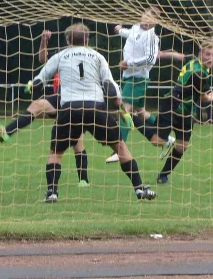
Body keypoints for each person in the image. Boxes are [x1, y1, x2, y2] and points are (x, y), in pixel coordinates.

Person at [31, 23, 156, 202]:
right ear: (88, 39)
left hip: (69, 109)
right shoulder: (98, 56)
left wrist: (32, 86)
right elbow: (110, 86)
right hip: (95, 108)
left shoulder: (60, 55)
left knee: (56, 152)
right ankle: (139, 189)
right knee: (121, 147)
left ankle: (52, 192)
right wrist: (121, 110)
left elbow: (40, 78)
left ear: (67, 40)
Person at [0, 29, 90, 187]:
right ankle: (6, 132)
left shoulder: (89, 56)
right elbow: (43, 59)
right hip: (61, 97)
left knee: (77, 142)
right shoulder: (62, 55)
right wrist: (44, 40)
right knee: (37, 105)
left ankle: (83, 179)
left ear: (70, 40)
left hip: (78, 100)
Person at [131, 41, 213, 185]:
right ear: (200, 55)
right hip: (173, 105)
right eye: (207, 54)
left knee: (182, 146)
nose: (211, 58)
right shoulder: (200, 74)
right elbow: (204, 98)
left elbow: (178, 56)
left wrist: (162, 54)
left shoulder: (193, 61)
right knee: (157, 141)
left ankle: (163, 175)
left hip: (186, 111)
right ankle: (133, 117)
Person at [105, 7, 175, 163]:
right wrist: (120, 30)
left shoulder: (152, 37)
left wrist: (128, 63)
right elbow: (131, 34)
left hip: (138, 79)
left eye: (150, 18)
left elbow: (150, 59)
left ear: (155, 22)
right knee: (141, 112)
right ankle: (167, 137)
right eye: (145, 15)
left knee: (124, 110)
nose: (146, 19)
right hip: (130, 77)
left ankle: (120, 150)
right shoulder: (137, 27)